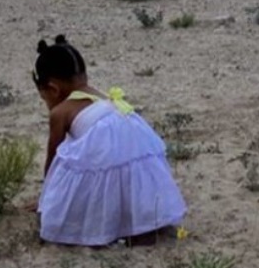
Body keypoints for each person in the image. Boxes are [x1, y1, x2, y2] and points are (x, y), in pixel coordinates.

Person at [32, 34, 187, 247]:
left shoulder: (60, 112)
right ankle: (143, 223)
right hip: (136, 142)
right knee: (115, 170)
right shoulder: (101, 95)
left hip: (107, 151)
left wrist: (46, 201)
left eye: (44, 98)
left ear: (53, 89)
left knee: (73, 163)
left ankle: (110, 228)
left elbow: (53, 161)